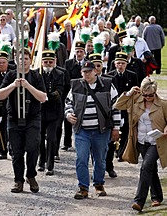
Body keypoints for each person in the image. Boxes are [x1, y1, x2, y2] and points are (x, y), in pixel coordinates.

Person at [65, 60, 120, 199]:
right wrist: (68, 114)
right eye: (84, 72)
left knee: (100, 159)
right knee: (81, 158)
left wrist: (116, 127)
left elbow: (116, 106)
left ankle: (98, 184)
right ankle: (83, 187)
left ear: (95, 71)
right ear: (81, 72)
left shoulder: (108, 85)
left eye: (89, 71)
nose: (87, 74)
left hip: (101, 130)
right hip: (82, 130)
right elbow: (68, 103)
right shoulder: (76, 85)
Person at [0, 48, 47, 193]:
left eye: (26, 58)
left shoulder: (36, 76)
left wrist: (27, 86)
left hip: (32, 118)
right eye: (20, 58)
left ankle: (30, 175)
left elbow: (43, 97)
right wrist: (14, 85)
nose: (23, 61)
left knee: (32, 148)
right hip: (14, 119)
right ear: (16, 60)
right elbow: (0, 95)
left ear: (30, 61)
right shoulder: (10, 75)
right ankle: (18, 180)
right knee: (16, 151)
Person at [115, 77, 167, 212]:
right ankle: (157, 196)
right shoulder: (135, 100)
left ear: (155, 93)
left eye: (150, 95)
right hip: (141, 140)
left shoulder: (162, 104)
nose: (147, 97)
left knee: (145, 167)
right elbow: (117, 105)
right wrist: (129, 93)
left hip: (157, 141)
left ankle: (139, 201)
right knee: (150, 168)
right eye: (145, 95)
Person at [108, 52, 138, 163]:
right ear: (115, 64)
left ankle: (121, 152)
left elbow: (136, 91)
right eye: (118, 63)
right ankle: (113, 150)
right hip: (114, 107)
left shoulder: (132, 75)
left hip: (126, 107)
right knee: (114, 129)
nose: (120, 65)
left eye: (123, 63)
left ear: (126, 64)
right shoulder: (110, 76)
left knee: (125, 129)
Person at [38, 50, 64, 176]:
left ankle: (50, 165)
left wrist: (46, 97)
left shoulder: (60, 74)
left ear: (55, 62)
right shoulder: (37, 74)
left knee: (52, 138)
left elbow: (59, 91)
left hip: (54, 111)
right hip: (40, 110)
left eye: (50, 62)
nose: (48, 64)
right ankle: (41, 162)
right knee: (40, 137)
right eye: (45, 62)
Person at [0, 50, 16, 160]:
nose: (1, 65)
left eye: (3, 62)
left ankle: (12, 148)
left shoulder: (13, 72)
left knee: (11, 128)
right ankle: (2, 150)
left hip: (11, 104)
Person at [63, 40, 87, 151]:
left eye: (81, 51)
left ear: (84, 53)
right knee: (69, 117)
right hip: (71, 92)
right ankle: (67, 142)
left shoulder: (88, 63)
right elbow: (66, 77)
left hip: (84, 93)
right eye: (77, 51)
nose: (79, 54)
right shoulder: (69, 63)